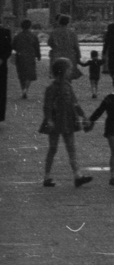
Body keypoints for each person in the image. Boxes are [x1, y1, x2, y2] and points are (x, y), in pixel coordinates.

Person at [39, 57, 92, 187]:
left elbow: (75, 103)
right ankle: (47, 176)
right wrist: (49, 119)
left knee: (70, 148)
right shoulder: (52, 88)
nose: (71, 71)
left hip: (67, 120)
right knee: (53, 148)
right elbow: (47, 106)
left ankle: (77, 175)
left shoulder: (67, 86)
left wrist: (83, 116)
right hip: (57, 120)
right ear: (62, 71)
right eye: (69, 69)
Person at [47, 14, 82, 80]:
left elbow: (49, 43)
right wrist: (78, 57)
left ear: (59, 22)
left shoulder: (54, 32)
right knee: (68, 74)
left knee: (58, 75)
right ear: (68, 22)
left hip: (57, 55)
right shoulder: (72, 33)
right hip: (69, 55)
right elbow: (76, 46)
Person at [13, 18, 41, 99]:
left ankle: (23, 89)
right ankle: (26, 89)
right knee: (29, 74)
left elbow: (13, 46)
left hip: (20, 56)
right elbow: (37, 47)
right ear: (30, 26)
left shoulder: (17, 36)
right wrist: (38, 56)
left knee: (21, 74)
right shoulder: (33, 36)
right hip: (30, 56)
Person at [0, 22, 11, 121]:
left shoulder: (5, 32)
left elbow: (9, 49)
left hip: (1, 66)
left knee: (1, 91)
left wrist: (2, 59)